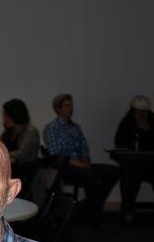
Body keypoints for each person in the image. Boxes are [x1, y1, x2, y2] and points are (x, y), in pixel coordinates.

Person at [41, 93, 119, 224]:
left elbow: (84, 148)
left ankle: (87, 206)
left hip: (82, 165)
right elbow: (56, 154)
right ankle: (96, 217)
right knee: (90, 175)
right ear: (58, 108)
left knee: (114, 171)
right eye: (67, 105)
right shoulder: (51, 128)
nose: (71, 108)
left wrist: (86, 160)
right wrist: (79, 164)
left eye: (71, 105)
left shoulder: (76, 127)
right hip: (65, 167)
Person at [113, 94, 154, 223]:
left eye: (145, 111)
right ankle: (128, 211)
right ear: (133, 110)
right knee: (129, 177)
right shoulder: (127, 123)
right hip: (134, 164)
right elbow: (119, 142)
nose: (142, 114)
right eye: (139, 111)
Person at [0, 99, 39, 195]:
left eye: (6, 115)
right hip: (11, 171)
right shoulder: (9, 132)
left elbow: (24, 154)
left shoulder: (31, 131)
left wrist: (5, 155)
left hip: (23, 174)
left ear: (15, 115)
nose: (4, 118)